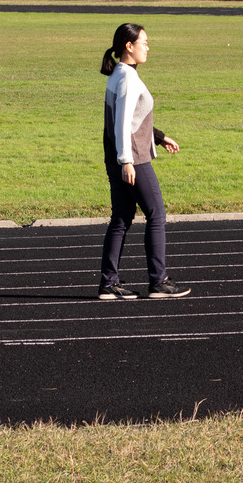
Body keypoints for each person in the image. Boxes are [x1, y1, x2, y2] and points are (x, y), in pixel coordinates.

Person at [98, 23, 192, 300]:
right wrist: (127, 161)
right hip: (132, 159)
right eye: (144, 42)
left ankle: (108, 284)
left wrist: (159, 136)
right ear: (129, 46)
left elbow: (128, 120)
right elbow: (122, 125)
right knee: (156, 214)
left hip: (116, 157)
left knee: (121, 219)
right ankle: (158, 281)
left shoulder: (117, 74)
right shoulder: (128, 78)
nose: (148, 47)